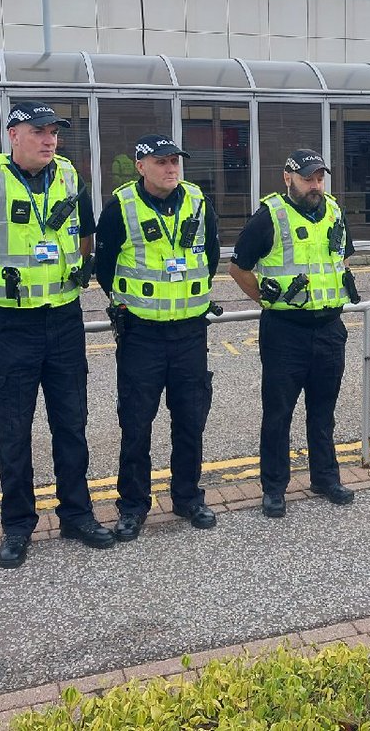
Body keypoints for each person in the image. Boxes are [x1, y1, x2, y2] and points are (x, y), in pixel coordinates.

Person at [0, 100, 114, 568]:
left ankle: (77, 515)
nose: (49, 139)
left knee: (71, 424)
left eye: (54, 132)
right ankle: (18, 525)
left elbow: (85, 239)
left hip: (63, 319)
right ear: (13, 135)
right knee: (14, 430)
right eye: (39, 131)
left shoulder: (68, 176)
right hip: (11, 323)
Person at [95, 134, 221, 540]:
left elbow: (213, 255)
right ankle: (133, 506)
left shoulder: (198, 201)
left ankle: (188, 498)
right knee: (136, 424)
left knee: (190, 420)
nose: (171, 169)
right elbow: (105, 267)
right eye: (162, 162)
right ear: (141, 166)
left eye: (175, 162)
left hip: (189, 332)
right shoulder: (121, 206)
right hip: (142, 335)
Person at [228, 149, 359, 518]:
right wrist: (267, 301)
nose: (315, 185)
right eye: (307, 178)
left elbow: (342, 256)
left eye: (319, 178)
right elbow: (238, 267)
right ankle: (274, 488)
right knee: (278, 413)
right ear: (288, 178)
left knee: (323, 411)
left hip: (329, 328)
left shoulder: (334, 210)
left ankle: (325, 477)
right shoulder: (270, 215)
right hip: (285, 331)